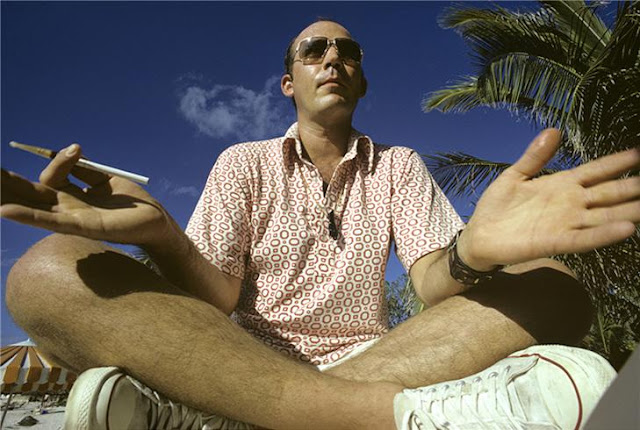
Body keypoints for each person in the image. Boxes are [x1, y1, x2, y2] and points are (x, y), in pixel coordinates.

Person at [2, 19, 638, 430]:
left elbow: (430, 283)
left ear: (361, 81)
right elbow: (219, 296)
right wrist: (163, 235)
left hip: (379, 358)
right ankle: (366, 414)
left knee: (554, 283)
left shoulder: (398, 165)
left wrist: (471, 251)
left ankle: (231, 416)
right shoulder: (243, 162)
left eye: (348, 52)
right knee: (48, 270)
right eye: (315, 50)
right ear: (289, 82)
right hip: (235, 357)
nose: (333, 57)